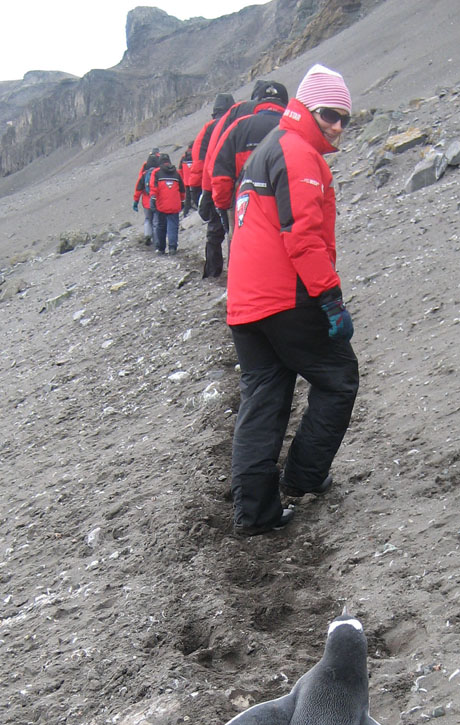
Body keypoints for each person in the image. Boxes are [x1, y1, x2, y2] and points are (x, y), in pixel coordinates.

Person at [225, 64, 358, 536]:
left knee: (263, 397)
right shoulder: (297, 151)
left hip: (244, 301)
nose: (337, 126)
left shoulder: (267, 149)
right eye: (329, 114)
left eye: (345, 118)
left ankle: (255, 513)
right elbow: (303, 236)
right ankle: (304, 476)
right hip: (286, 295)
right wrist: (330, 299)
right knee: (339, 378)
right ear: (306, 107)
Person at [210, 81, 288, 222]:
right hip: (284, 209)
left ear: (258, 102)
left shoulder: (238, 127)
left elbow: (220, 172)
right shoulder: (294, 128)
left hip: (244, 207)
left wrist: (226, 205)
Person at [189, 93, 234, 277]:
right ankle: (237, 271)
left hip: (215, 185)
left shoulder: (209, 129)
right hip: (238, 183)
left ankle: (213, 272)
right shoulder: (239, 123)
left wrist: (196, 191)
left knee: (214, 230)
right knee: (237, 229)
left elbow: (199, 161)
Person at [148, 154, 185, 254]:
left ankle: (161, 248)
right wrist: (182, 201)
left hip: (161, 204)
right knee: (173, 226)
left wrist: (153, 199)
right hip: (174, 204)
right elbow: (182, 189)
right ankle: (172, 248)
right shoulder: (176, 173)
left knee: (161, 226)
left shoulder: (156, 172)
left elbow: (153, 187)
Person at [132, 149, 160, 245]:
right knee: (156, 221)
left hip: (146, 201)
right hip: (156, 201)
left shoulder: (144, 174)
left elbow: (138, 188)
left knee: (148, 219)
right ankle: (157, 241)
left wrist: (135, 201)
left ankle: (147, 234)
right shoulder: (159, 173)